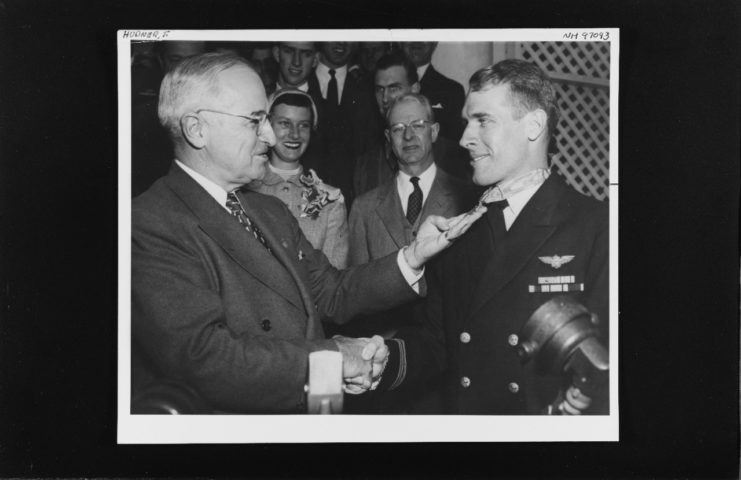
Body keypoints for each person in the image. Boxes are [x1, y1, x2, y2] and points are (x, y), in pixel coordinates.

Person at [131, 52, 484, 413]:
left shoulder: (268, 211)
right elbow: (206, 358)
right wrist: (331, 357)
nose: (270, 136)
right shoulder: (150, 223)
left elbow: (330, 292)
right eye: (255, 121)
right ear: (196, 129)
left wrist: (412, 257)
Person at [378, 59, 609, 415]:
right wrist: (378, 359)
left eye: (483, 120)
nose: (467, 138)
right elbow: (436, 343)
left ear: (533, 126)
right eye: (468, 121)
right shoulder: (460, 228)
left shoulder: (596, 227)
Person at [345, 93, 477, 413]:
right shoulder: (364, 208)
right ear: (388, 139)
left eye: (418, 124)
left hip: (448, 369)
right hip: (385, 366)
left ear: (434, 132)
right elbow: (354, 295)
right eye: (398, 127)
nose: (408, 135)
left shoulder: (469, 200)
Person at [246, 89, 349, 269]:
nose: (295, 134)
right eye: (285, 123)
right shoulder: (245, 189)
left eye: (303, 125)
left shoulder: (329, 201)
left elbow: (334, 282)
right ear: (268, 126)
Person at [353, 51, 471, 197]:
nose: (385, 98)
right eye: (380, 90)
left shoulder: (452, 157)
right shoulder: (366, 165)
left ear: (415, 89)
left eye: (394, 88)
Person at [306, 42, 377, 207]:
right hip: (305, 198)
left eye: (349, 36)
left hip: (352, 201)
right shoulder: (302, 82)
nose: (341, 42)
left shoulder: (368, 88)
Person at [132, 41, 207, 197]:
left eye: (193, 59)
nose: (184, 68)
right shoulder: (139, 119)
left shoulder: (223, 113)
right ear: (161, 61)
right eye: (175, 59)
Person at [400, 42, 465, 143]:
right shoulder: (381, 87)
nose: (416, 40)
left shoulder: (452, 90)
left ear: (434, 43)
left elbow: (454, 143)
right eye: (411, 32)